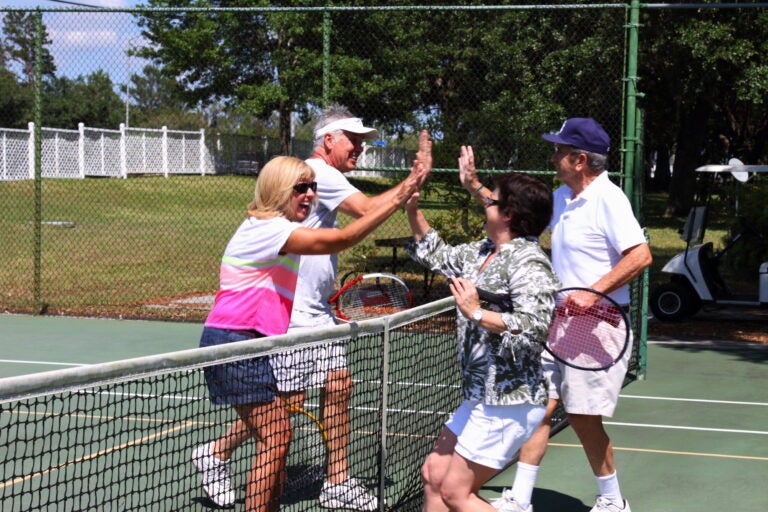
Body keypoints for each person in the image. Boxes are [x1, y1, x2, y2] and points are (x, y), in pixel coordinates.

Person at [192, 107, 433, 511]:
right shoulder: (274, 226)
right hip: (242, 339)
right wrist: (408, 185)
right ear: (328, 140)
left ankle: (322, 479)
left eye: (310, 188)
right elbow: (347, 232)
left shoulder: (278, 222)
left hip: (271, 329)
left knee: (294, 416)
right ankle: (221, 455)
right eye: (301, 188)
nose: (310, 193)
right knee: (279, 428)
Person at [460, 118, 652, 512]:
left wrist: (592, 292)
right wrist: (476, 187)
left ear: (580, 160)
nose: (553, 157)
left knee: (583, 417)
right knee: (539, 406)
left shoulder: (609, 199)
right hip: (557, 322)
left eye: (560, 151)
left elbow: (641, 255)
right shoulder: (563, 197)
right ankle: (521, 497)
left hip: (598, 326)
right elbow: (515, 215)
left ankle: (614, 501)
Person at [404, 167, 560, 511]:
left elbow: (534, 328)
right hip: (479, 395)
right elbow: (438, 255)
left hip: (510, 401)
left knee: (456, 493)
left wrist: (477, 312)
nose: (485, 200)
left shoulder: (531, 263)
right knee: (434, 475)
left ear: (509, 213)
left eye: (493, 199)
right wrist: (412, 209)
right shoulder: (482, 251)